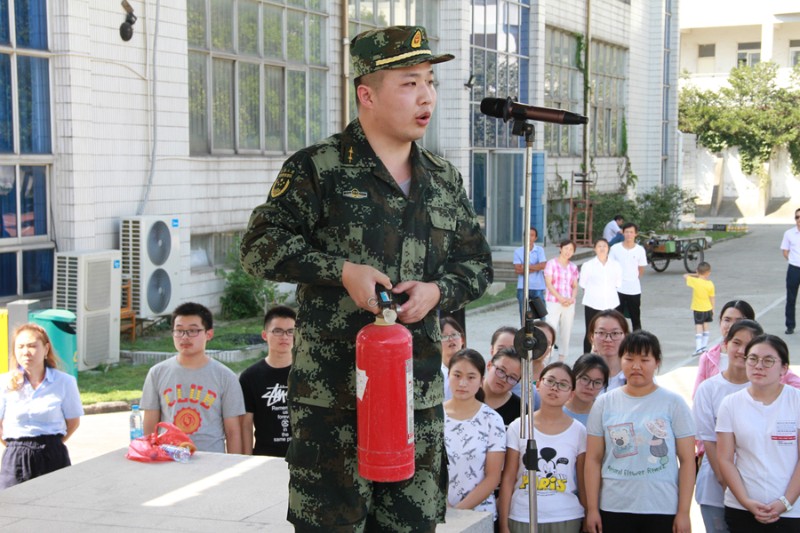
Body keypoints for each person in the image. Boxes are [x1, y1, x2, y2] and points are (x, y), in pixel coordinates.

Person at [239, 25, 493, 531]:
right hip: (334, 408)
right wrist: (340, 271)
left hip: (416, 403)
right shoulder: (320, 169)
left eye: (429, 82)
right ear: (367, 94)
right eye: (409, 83)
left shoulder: (443, 178)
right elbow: (258, 247)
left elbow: (477, 263)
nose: (426, 96)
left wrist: (438, 290)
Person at [584, 330, 696, 533]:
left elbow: (688, 460)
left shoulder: (674, 403)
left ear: (657, 362)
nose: (636, 366)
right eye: (629, 359)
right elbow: (593, 458)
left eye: (645, 359)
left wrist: (683, 512)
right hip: (614, 506)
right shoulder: (604, 403)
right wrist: (592, 509)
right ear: (620, 360)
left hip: (661, 506)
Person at [716, 334, 800, 531]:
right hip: (741, 509)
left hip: (792, 510)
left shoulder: (796, 400)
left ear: (784, 368)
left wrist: (785, 503)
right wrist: (746, 501)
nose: (759, 366)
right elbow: (725, 459)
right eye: (752, 359)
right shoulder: (730, 404)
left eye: (768, 360)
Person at [141, 302, 245, 454]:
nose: (185, 337)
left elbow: (233, 431)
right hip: (169, 458)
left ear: (208, 334)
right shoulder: (157, 373)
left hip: (211, 460)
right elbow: (150, 427)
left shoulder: (226, 376)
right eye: (179, 331)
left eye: (193, 331)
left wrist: (234, 467)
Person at [498, 362, 587, 533]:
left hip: (565, 517)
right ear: (538, 384)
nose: (555, 388)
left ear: (571, 393)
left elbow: (583, 481)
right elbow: (508, 478)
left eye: (563, 385)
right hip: (522, 516)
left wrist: (589, 512)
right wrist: (503, 523)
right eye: (550, 381)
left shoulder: (579, 431)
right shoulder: (519, 426)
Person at [693, 319, 763, 533]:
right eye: (736, 343)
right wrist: (727, 484)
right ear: (725, 344)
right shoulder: (708, 389)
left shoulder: (764, 388)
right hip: (716, 490)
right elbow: (709, 442)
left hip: (758, 490)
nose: (742, 351)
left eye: (749, 345)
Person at [0, 323, 83, 490]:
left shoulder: (65, 382)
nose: (25, 352)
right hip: (15, 457)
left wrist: (50, 445)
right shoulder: (4, 382)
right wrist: (18, 447)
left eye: (32, 346)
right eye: (20, 347)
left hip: (52, 454)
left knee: (55, 507)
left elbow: (73, 422)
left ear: (46, 349)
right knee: (13, 510)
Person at [444, 349, 506, 519]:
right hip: (437, 512)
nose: (462, 383)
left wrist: (459, 511)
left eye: (471, 377)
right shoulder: (434, 416)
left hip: (479, 514)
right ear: (448, 376)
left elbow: (493, 477)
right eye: (457, 375)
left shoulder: (492, 420)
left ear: (481, 381)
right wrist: (445, 507)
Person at [693, 300, 800, 396]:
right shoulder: (708, 358)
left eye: (739, 320)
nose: (731, 325)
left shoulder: (765, 355)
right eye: (727, 320)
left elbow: (793, 382)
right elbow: (698, 395)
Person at [238, 305, 297, 457]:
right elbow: (245, 425)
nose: (284, 336)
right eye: (277, 331)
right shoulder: (249, 377)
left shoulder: (306, 374)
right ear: (264, 335)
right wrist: (246, 459)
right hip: (264, 457)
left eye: (290, 331)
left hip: (301, 459)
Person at [579, 238, 622, 353]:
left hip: (611, 303)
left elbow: (618, 283)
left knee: (612, 331)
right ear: (595, 249)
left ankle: (610, 355)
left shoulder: (616, 265)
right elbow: (583, 284)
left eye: (605, 246)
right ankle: (586, 359)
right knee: (590, 332)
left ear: (608, 248)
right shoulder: (588, 265)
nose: (602, 249)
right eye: (599, 246)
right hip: (592, 303)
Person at [543, 239, 579, 362]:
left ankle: (561, 359)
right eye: (566, 248)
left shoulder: (573, 267)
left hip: (569, 303)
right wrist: (560, 298)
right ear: (561, 248)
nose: (568, 251)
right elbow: (549, 283)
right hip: (553, 301)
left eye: (571, 250)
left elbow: (574, 286)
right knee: (550, 329)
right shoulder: (551, 264)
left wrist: (572, 298)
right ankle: (547, 357)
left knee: (566, 330)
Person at [609, 222, 648, 332]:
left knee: (635, 317)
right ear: (623, 233)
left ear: (636, 234)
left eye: (631, 232)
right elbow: (611, 267)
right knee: (617, 318)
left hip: (634, 289)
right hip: (618, 289)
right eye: (627, 232)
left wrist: (633, 279)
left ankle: (636, 342)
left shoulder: (640, 250)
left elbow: (641, 269)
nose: (629, 234)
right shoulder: (615, 248)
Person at [587, 309, 629, 391]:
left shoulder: (636, 375)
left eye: (615, 333)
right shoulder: (581, 376)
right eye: (601, 333)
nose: (608, 339)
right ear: (592, 337)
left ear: (625, 337)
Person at [563, 353, 609, 426]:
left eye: (597, 382)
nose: (590, 387)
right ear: (573, 376)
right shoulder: (556, 410)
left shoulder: (605, 417)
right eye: (585, 379)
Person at [482, 347, 523, 427]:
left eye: (512, 378)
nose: (504, 379)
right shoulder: (468, 393)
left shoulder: (520, 409)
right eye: (501, 371)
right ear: (489, 365)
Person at [514, 226, 547, 322]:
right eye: (527, 235)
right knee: (524, 314)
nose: (529, 237)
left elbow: (543, 265)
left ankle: (542, 333)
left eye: (532, 235)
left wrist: (525, 267)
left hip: (538, 286)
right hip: (522, 287)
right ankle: (525, 334)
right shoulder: (518, 251)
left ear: (535, 238)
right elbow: (518, 270)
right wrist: (535, 267)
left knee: (541, 315)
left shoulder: (540, 250)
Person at [684, 261, 716, 355]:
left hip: (698, 308)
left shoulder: (695, 281)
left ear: (698, 271)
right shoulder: (710, 284)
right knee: (706, 326)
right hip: (708, 308)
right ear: (709, 272)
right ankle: (704, 346)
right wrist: (713, 309)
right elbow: (712, 297)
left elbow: (685, 275)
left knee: (698, 327)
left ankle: (698, 348)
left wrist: (695, 274)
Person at [781, 207, 800, 334]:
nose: (799, 220)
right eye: (797, 217)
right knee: (791, 298)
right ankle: (790, 325)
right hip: (794, 268)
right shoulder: (789, 233)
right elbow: (785, 251)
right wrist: (793, 260)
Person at [441, 317, 466, 401]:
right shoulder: (435, 374)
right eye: (444, 337)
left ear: (462, 340)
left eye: (454, 334)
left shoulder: (473, 366)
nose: (451, 339)